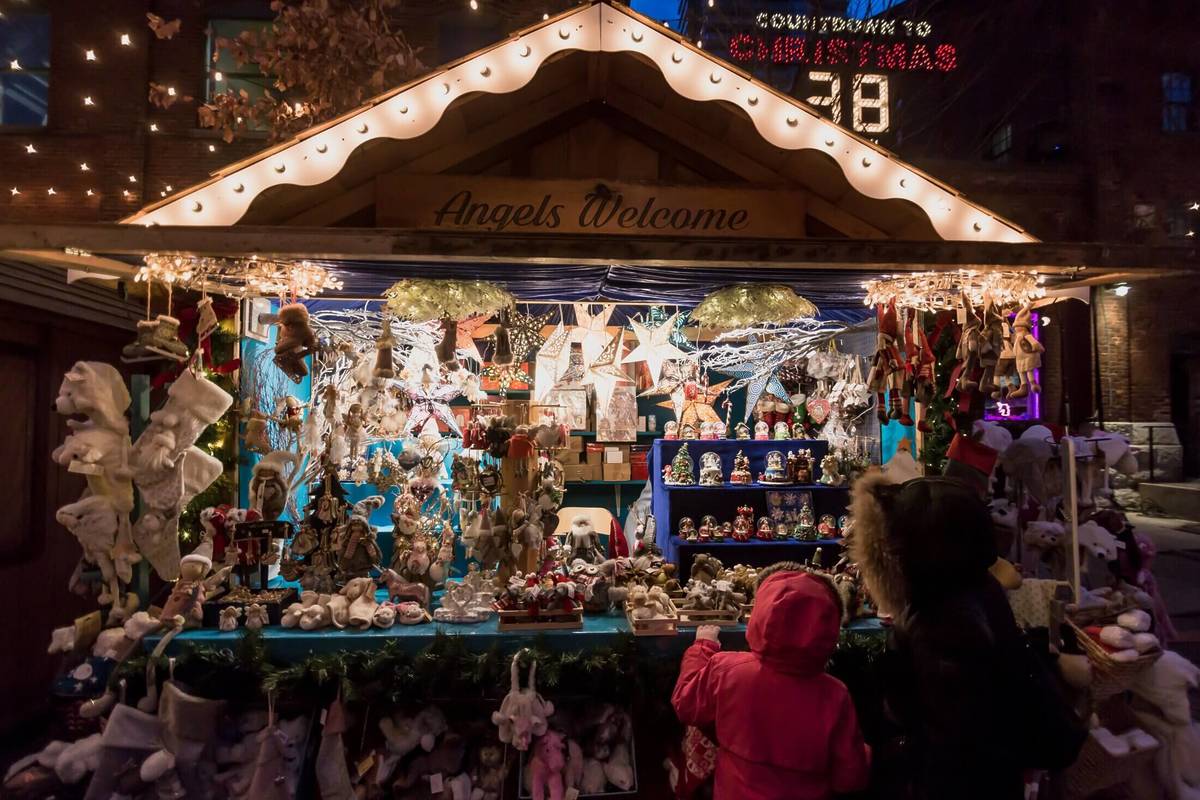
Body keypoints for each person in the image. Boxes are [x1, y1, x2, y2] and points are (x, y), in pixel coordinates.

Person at [849, 472, 1084, 800]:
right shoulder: (974, 587)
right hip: (987, 773)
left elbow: (952, 728)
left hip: (960, 780)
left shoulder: (942, 622)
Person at [671, 564, 871, 800]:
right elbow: (850, 777)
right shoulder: (836, 695)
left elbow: (685, 703)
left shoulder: (728, 669)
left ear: (761, 614)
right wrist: (865, 753)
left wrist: (703, 647)